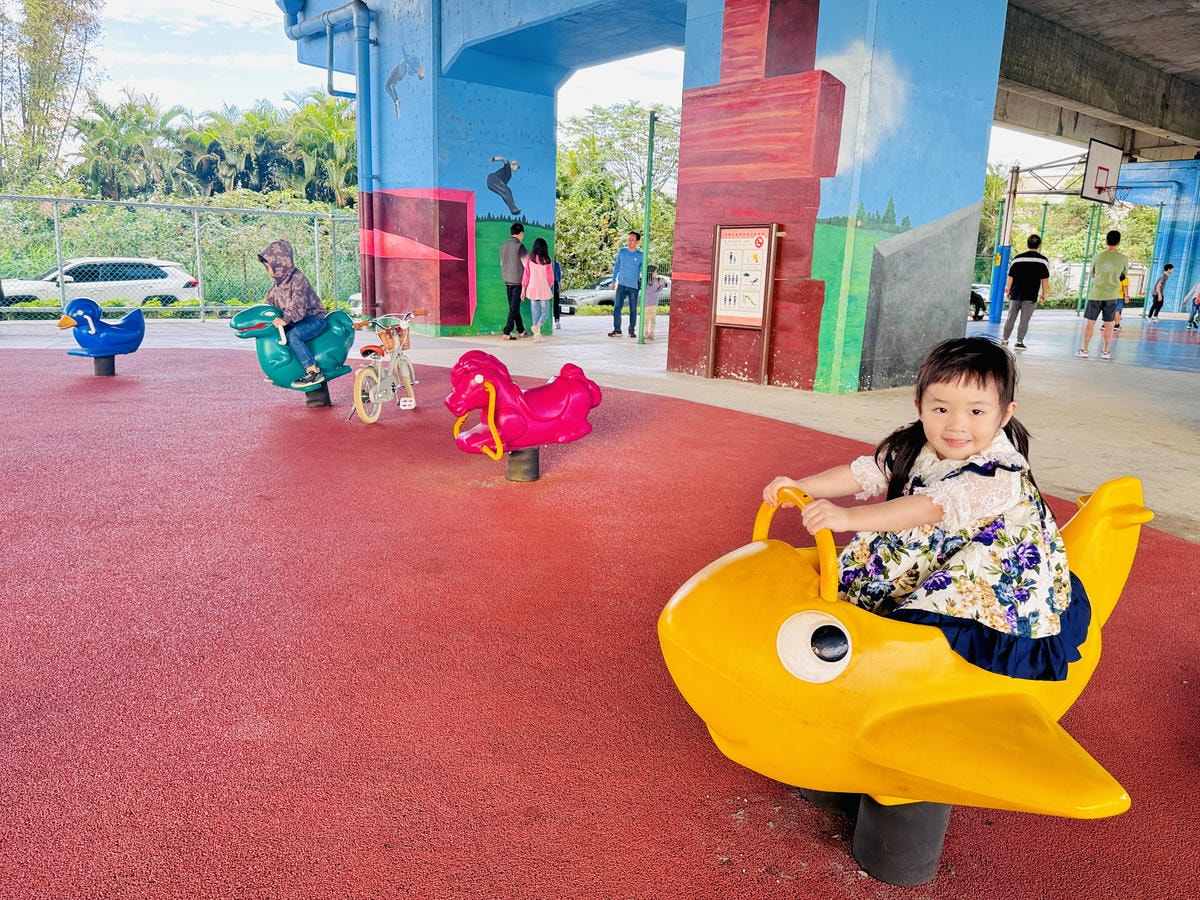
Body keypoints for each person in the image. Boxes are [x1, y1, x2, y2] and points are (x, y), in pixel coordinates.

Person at [763, 336, 1083, 681]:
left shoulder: (998, 473)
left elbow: (928, 507)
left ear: (1005, 413)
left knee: (933, 616)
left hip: (976, 566)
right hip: (928, 548)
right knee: (861, 584)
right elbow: (862, 472)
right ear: (920, 406)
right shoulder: (917, 441)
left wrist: (847, 517)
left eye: (976, 411)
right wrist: (802, 485)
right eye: (941, 409)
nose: (956, 425)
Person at [258, 239, 328, 388]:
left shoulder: (297, 279)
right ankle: (284, 369)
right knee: (277, 333)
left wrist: (286, 319)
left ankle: (313, 371)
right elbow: (270, 300)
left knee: (293, 335)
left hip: (313, 318)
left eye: (269, 267)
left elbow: (298, 302)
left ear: (280, 264)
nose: (268, 271)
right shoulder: (278, 282)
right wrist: (263, 313)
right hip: (298, 320)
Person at [1076, 230, 1127, 360]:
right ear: (1118, 242)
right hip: (1112, 295)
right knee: (1109, 324)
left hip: (1096, 295)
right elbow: (1123, 276)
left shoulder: (1097, 257)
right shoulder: (1123, 259)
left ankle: (1085, 349)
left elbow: (1093, 273)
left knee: (1090, 323)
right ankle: (1105, 352)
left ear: (1106, 241)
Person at [1001, 234, 1050, 349]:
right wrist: (1044, 293)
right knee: (1025, 320)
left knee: (1010, 317)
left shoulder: (1017, 259)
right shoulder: (1043, 260)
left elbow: (1010, 276)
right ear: (1039, 245)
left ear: (1027, 244)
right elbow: (1045, 279)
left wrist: (1008, 290)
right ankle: (1019, 342)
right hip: (1031, 295)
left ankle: (1004, 340)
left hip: (1015, 294)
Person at [609, 231, 643, 338]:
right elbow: (617, 267)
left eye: (632, 240)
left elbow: (643, 270)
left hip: (633, 286)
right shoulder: (622, 252)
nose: (630, 242)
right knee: (617, 307)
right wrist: (613, 281)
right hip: (622, 285)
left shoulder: (641, 255)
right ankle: (617, 329)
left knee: (633, 309)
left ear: (637, 242)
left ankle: (631, 330)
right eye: (628, 239)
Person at [521, 237, 555, 343]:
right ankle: (538, 327)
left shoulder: (530, 260)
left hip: (532, 289)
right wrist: (548, 285)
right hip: (543, 288)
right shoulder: (547, 260)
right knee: (545, 312)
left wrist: (523, 288)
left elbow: (526, 274)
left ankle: (536, 335)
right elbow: (550, 277)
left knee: (534, 312)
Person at [499, 222, 528, 340]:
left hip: (507, 280)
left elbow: (502, 264)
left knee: (514, 307)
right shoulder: (520, 246)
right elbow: (527, 265)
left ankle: (521, 330)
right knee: (514, 308)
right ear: (520, 233)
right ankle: (507, 332)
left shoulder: (503, 247)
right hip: (517, 281)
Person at [642, 265, 666, 340]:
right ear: (651, 272)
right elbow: (649, 290)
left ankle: (651, 332)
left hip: (653, 303)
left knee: (652, 318)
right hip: (646, 303)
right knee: (646, 318)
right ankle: (646, 332)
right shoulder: (644, 281)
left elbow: (658, 289)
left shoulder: (656, 281)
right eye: (655, 272)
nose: (656, 273)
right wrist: (658, 285)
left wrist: (661, 284)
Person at [551, 255, 563, 330]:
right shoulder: (557, 265)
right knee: (556, 305)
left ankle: (557, 320)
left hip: (551, 285)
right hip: (555, 285)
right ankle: (557, 321)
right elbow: (559, 277)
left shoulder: (550, 264)